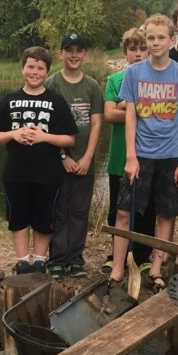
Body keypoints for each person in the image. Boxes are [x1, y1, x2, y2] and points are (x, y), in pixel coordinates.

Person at [109, 14, 178, 290]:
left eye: (161, 37)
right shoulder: (134, 74)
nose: (155, 43)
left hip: (170, 156)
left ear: (172, 40)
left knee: (165, 215)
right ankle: (117, 270)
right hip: (142, 155)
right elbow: (131, 117)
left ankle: (157, 269)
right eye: (150, 38)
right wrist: (131, 156)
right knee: (124, 212)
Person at [0, 46, 77, 275]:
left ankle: (39, 259)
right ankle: (22, 261)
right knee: (18, 217)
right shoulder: (9, 99)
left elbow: (69, 139)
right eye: (30, 66)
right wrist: (14, 134)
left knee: (43, 218)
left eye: (40, 68)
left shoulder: (56, 101)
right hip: (16, 172)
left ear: (47, 71)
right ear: (22, 69)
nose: (35, 72)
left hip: (48, 174)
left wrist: (43, 137)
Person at [45, 33, 104, 278]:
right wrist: (62, 157)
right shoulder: (52, 84)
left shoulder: (92, 86)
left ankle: (75, 259)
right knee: (58, 211)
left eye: (78, 50)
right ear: (61, 54)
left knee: (79, 211)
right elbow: (45, 124)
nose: (74, 55)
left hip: (84, 161)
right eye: (69, 50)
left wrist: (88, 157)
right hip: (57, 162)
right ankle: (57, 259)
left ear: (85, 55)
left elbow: (97, 123)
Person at [103, 27, 156, 273]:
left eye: (142, 48)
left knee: (146, 209)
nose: (138, 54)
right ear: (125, 53)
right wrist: (133, 105)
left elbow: (160, 113)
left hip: (149, 153)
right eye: (133, 49)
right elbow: (110, 114)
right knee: (118, 207)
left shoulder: (157, 78)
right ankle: (117, 254)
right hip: (120, 155)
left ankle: (143, 253)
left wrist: (127, 106)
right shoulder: (115, 80)